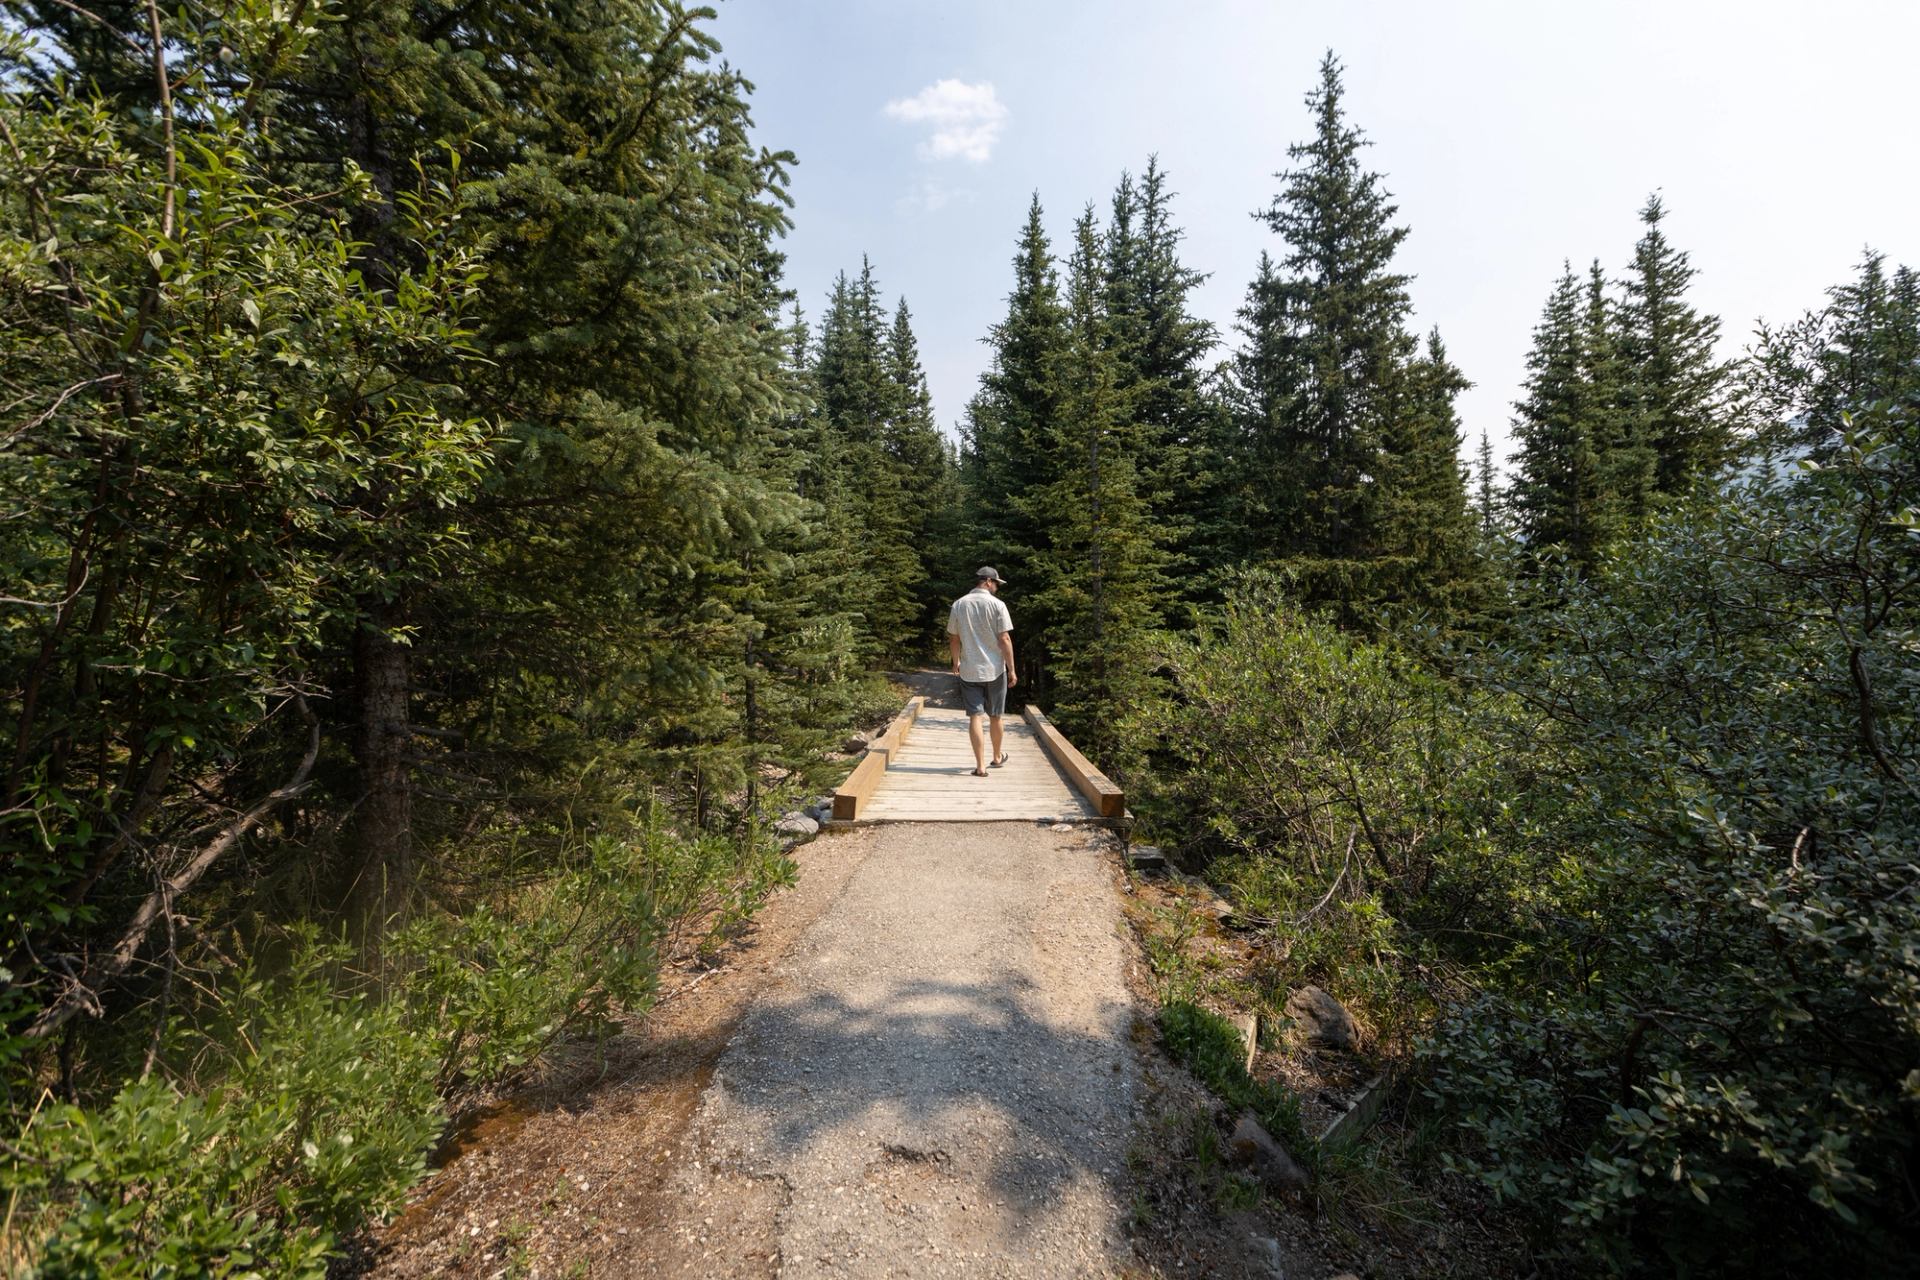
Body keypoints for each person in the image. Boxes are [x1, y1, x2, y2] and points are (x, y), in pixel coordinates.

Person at [946, 567, 1018, 777]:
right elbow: (1004, 639)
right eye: (995, 583)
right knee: (996, 716)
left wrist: (956, 661)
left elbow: (953, 638)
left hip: (969, 669)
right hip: (995, 669)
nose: (996, 587)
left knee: (975, 717)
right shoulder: (998, 605)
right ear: (987, 581)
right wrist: (1011, 669)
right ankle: (996, 757)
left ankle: (980, 766)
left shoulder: (959, 604)